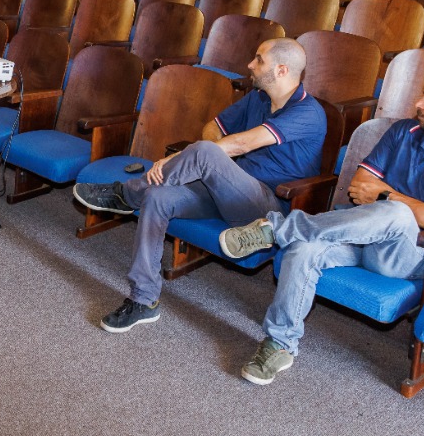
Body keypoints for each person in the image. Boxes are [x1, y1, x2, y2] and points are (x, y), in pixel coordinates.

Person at [219, 63, 424, 386]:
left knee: (396, 213)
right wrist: (402, 202)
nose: (419, 104)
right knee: (304, 249)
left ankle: (277, 229)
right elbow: (359, 185)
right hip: (355, 237)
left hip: (405, 256)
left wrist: (389, 196)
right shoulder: (404, 132)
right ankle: (280, 343)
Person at [73, 39, 326, 334]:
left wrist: (182, 157)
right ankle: (143, 299)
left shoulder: (308, 112)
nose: (250, 65)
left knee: (205, 154)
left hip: (264, 212)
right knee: (157, 197)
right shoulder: (259, 96)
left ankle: (127, 194)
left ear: (282, 70)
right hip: (225, 190)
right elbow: (213, 128)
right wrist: (196, 157)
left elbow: (240, 143)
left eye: (259, 60)